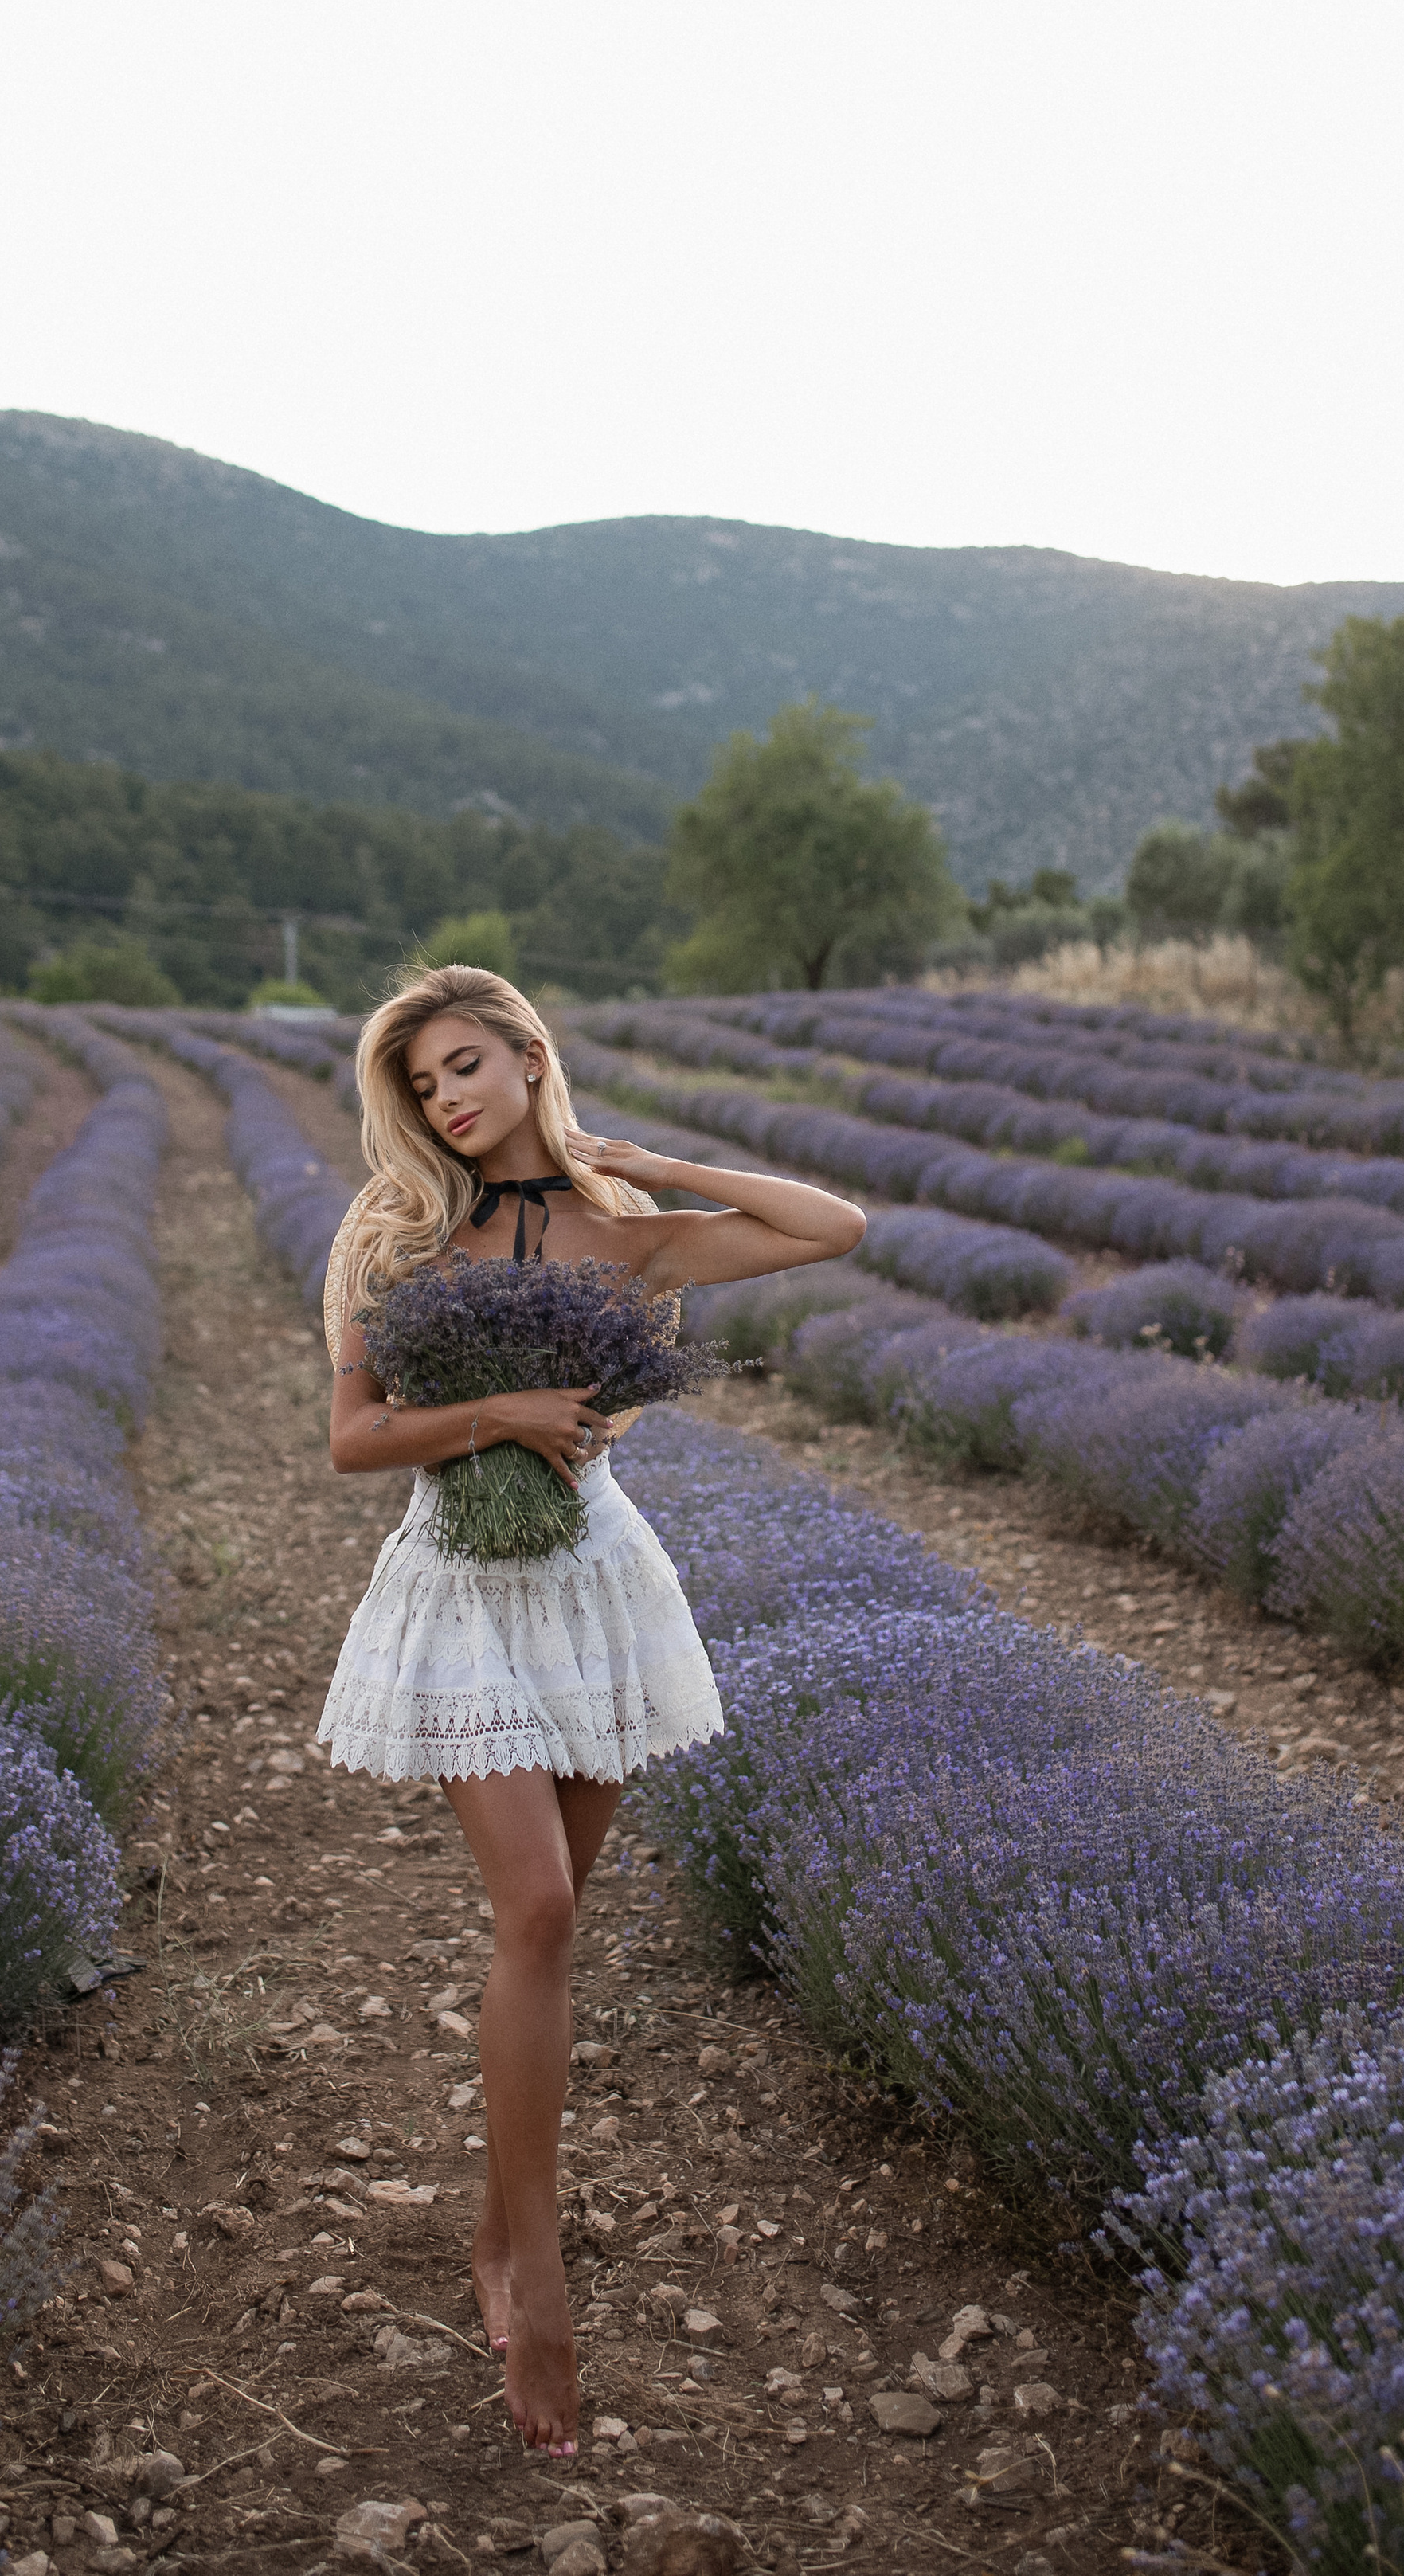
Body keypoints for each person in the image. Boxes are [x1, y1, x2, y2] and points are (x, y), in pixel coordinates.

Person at [317, 962, 866, 2456]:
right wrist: (502, 1412)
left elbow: (836, 1227)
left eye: (464, 1067)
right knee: (539, 1913)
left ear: (526, 1058)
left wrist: (632, 1163)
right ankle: (541, 2282)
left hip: (594, 1578)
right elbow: (355, 1437)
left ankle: (494, 2232)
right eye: (423, 1082)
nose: (444, 1099)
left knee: (555, 1928)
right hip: (460, 1584)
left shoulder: (619, 1235)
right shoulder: (393, 1234)